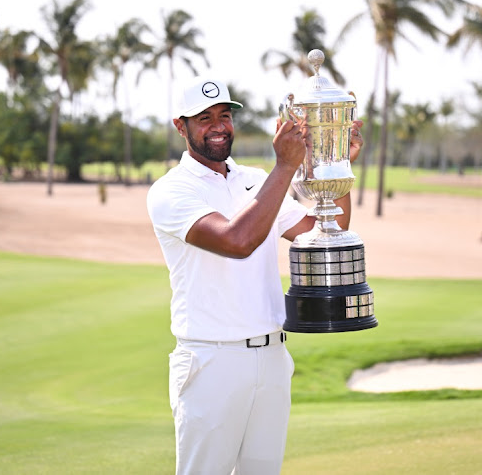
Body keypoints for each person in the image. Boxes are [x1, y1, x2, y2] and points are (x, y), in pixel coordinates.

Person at [146, 75, 363, 475]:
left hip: (272, 357)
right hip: (212, 360)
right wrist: (284, 166)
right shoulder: (171, 191)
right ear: (181, 126)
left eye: (225, 115)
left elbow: (328, 229)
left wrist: (335, 164)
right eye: (204, 117)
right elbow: (238, 240)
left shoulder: (255, 181)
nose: (218, 126)